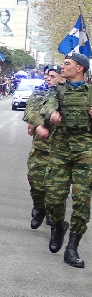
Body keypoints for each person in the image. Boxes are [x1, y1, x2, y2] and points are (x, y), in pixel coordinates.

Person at [36, 52, 92, 268]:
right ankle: (58, 226)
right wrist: (52, 114)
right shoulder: (56, 91)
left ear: (80, 68)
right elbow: (46, 106)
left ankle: (72, 247)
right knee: (54, 198)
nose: (62, 66)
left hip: (85, 151)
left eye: (67, 64)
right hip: (60, 150)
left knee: (82, 201)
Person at [23, 66, 61, 230]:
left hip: (61, 148)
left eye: (52, 76)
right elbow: (30, 111)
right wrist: (38, 125)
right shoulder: (39, 93)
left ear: (61, 77)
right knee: (36, 182)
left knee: (56, 187)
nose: (47, 78)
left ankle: (54, 216)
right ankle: (40, 207)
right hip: (41, 146)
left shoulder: (68, 95)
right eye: (46, 75)